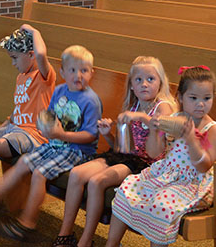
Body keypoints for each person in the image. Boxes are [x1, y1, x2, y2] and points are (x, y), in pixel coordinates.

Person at [0, 45, 102, 241]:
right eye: (72, 70)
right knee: (23, 163)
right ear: (63, 72)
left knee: (38, 173)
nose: (78, 75)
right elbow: (49, 116)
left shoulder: (91, 100)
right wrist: (45, 126)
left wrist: (62, 135)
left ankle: (28, 222)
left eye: (84, 71)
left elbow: (91, 136)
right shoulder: (60, 90)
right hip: (55, 145)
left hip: (76, 150)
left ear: (91, 73)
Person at [51, 56, 177, 247]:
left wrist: (140, 117)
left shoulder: (163, 106)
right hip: (124, 156)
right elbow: (122, 146)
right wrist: (107, 134)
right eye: (138, 80)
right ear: (132, 86)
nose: (144, 84)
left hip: (145, 165)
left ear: (160, 82)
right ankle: (65, 234)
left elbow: (160, 127)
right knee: (77, 174)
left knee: (96, 181)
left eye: (150, 79)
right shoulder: (133, 105)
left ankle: (84, 241)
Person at [105, 66, 216, 247]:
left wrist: (192, 140)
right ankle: (111, 244)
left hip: (193, 182)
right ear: (181, 98)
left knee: (162, 205)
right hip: (167, 173)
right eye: (194, 98)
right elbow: (154, 152)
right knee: (127, 188)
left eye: (207, 98)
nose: (201, 104)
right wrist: (154, 131)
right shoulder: (175, 118)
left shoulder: (212, 129)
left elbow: (204, 166)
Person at [0, 25, 56, 224]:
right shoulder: (20, 77)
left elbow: (42, 53)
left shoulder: (43, 77)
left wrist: (34, 31)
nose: (13, 63)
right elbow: (17, 111)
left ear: (30, 54)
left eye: (15, 58)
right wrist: (0, 128)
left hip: (33, 135)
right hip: (13, 129)